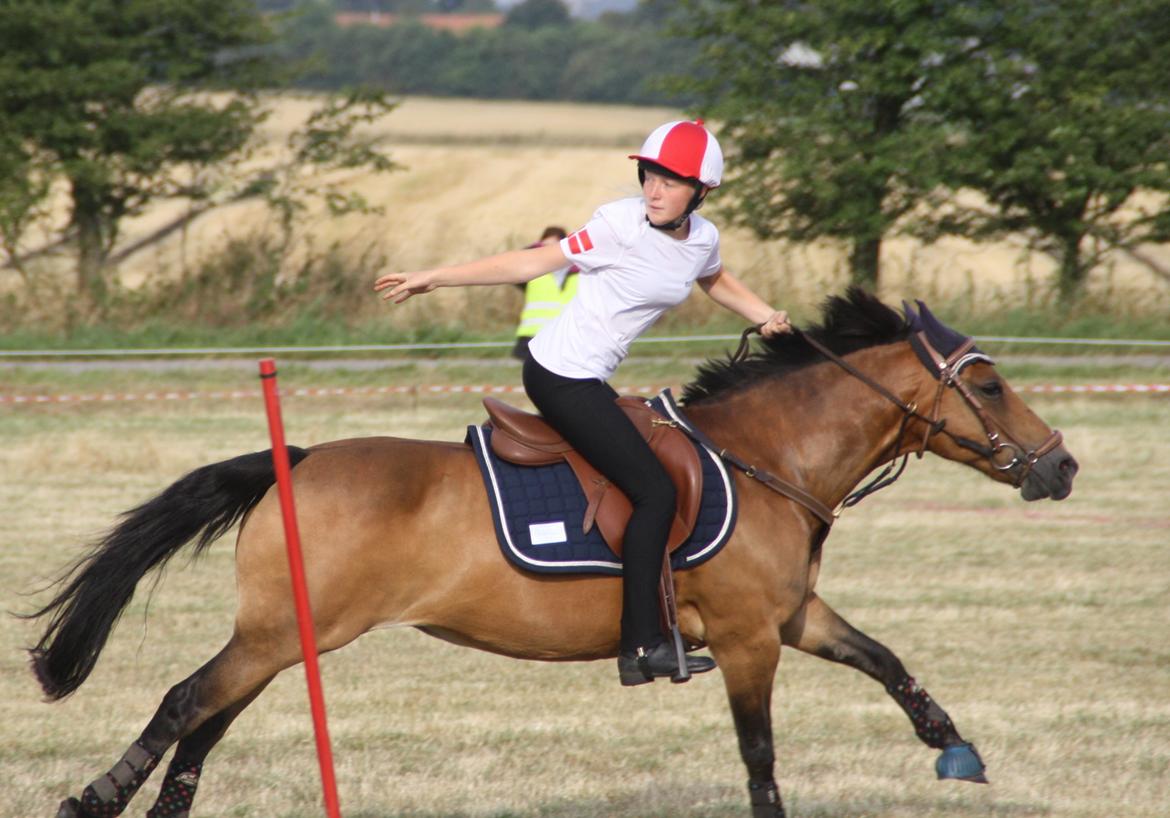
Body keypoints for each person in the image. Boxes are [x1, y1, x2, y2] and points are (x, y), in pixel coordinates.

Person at [375, 120, 792, 686]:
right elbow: (533, 263)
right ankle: (641, 646)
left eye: (670, 182)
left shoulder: (702, 239)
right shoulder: (618, 224)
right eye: (649, 175)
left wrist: (765, 315)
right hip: (559, 376)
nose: (653, 190)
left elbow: (714, 280)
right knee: (655, 492)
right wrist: (438, 278)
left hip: (593, 381)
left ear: (702, 191)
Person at [512, 226, 579, 360]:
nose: (548, 251)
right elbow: (515, 264)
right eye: (545, 246)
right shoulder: (533, 272)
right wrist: (536, 249)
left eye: (553, 247)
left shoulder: (579, 271)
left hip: (564, 335)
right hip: (532, 334)